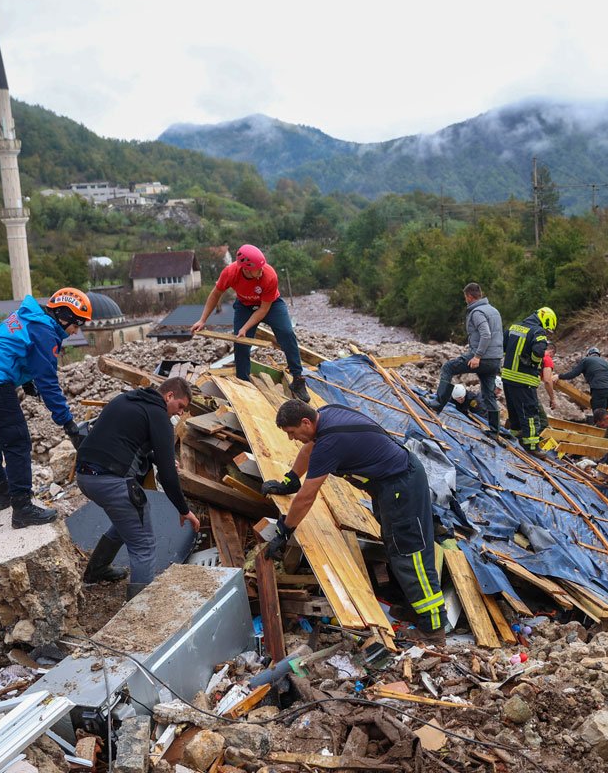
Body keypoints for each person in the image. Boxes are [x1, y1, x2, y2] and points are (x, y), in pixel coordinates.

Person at [261, 401, 445, 641]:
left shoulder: (331, 441)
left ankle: (433, 628)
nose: (291, 439)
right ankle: (415, 608)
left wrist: (284, 531)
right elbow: (309, 448)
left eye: (292, 433)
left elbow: (307, 496)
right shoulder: (325, 415)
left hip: (402, 485)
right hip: (391, 485)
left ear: (305, 422)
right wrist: (291, 480)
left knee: (410, 553)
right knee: (395, 546)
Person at [0, 288, 91, 529]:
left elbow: (14, 349)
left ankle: (1, 492)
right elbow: (49, 382)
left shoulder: (29, 317)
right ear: (63, 316)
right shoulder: (45, 333)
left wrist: (26, 381)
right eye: (77, 324)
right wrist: (69, 425)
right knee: (18, 441)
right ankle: (22, 507)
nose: (76, 331)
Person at [76, 377, 201, 600]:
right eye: (180, 406)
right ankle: (140, 609)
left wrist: (156, 456)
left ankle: (97, 570)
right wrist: (184, 510)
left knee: (131, 518)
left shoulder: (124, 399)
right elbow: (168, 476)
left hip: (85, 476)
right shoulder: (159, 416)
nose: (180, 413)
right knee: (143, 545)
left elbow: (122, 441)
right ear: (169, 396)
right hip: (111, 481)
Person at [190, 244, 309, 401]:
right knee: (241, 343)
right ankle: (243, 382)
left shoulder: (269, 275)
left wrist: (245, 327)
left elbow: (263, 310)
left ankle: (298, 378)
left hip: (271, 305)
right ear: (245, 268)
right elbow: (215, 294)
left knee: (287, 333)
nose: (261, 271)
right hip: (245, 306)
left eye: (261, 268)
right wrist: (203, 319)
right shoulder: (230, 272)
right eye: (257, 270)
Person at [427, 283, 502, 431]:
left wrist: (477, 356)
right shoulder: (494, 311)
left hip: (482, 357)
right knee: (488, 395)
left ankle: (438, 403)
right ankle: (494, 430)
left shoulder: (477, 312)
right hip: (495, 360)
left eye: (465, 297)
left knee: (448, 368)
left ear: (469, 296)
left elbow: (486, 334)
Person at [501, 308, 556, 455]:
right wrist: (533, 361)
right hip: (524, 379)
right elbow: (538, 352)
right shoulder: (539, 332)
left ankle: (515, 437)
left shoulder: (514, 327)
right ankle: (531, 446)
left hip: (507, 377)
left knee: (514, 411)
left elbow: (503, 346)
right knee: (530, 412)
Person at [559, 346, 608, 417]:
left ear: (589, 354)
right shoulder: (606, 363)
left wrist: (559, 376)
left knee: (599, 416)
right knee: (604, 414)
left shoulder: (586, 360)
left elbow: (573, 373)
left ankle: (598, 427)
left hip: (599, 389)